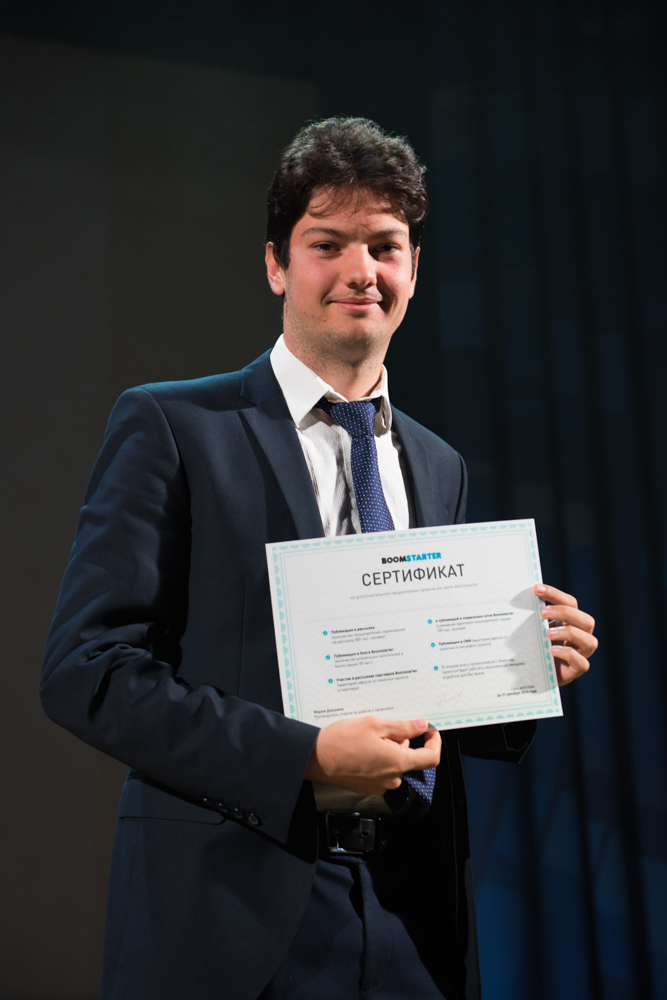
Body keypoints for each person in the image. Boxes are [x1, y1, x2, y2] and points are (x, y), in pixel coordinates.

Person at [41, 117, 598, 1000]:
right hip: (230, 910)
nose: (359, 271)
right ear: (276, 265)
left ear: (413, 267)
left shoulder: (438, 463)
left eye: (384, 246)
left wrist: (521, 668)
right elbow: (88, 672)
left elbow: (424, 685)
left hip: (413, 915)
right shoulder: (174, 426)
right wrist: (301, 755)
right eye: (326, 243)